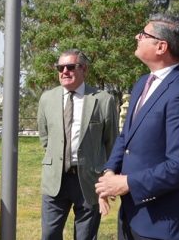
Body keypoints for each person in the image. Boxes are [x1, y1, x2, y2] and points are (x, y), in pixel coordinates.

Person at [95, 14, 179, 240]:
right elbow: (126, 136)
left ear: (161, 46)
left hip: (163, 221)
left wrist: (126, 182)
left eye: (144, 34)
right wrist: (109, 174)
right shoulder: (142, 84)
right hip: (132, 214)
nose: (137, 37)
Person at [37, 49, 118, 240]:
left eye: (70, 67)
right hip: (55, 179)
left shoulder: (103, 100)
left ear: (84, 69)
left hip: (89, 181)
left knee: (85, 236)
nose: (64, 71)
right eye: (60, 67)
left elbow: (111, 142)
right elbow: (45, 138)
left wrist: (109, 178)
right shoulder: (47, 99)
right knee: (49, 235)